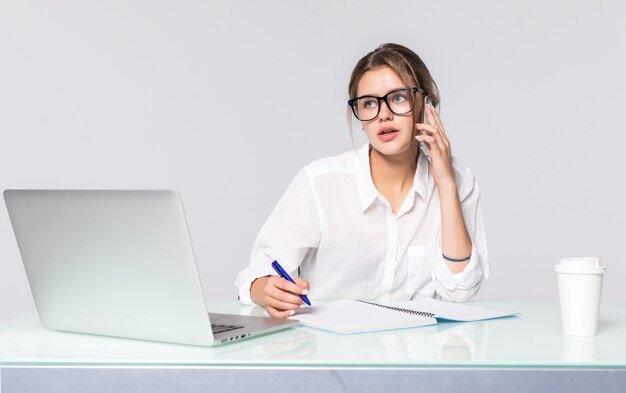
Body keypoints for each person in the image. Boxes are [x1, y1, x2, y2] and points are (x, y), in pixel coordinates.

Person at [235, 43, 489, 318]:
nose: (384, 114)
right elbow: (255, 274)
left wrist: (446, 185)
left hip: (418, 352)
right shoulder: (321, 183)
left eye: (398, 98)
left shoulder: (458, 181)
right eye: (369, 103)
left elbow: (460, 289)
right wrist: (265, 289)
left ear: (426, 105)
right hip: (329, 350)